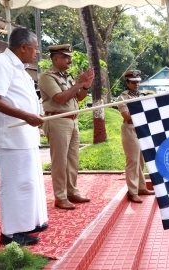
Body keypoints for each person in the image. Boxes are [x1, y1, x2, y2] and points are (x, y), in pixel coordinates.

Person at [0, 27, 48, 245]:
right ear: (23, 46)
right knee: (14, 184)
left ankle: (30, 222)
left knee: (29, 181)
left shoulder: (19, 67)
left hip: (24, 135)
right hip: (10, 136)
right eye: (35, 48)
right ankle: (11, 233)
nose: (37, 52)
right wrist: (27, 116)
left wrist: (31, 116)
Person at [39, 44, 94, 210]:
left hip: (72, 121)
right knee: (60, 161)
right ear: (55, 58)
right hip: (57, 121)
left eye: (69, 57)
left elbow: (79, 97)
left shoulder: (66, 76)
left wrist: (85, 85)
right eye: (65, 57)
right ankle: (60, 197)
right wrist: (78, 84)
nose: (69, 60)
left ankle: (71, 192)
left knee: (72, 160)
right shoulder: (47, 77)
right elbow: (60, 98)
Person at [116, 70, 155, 203]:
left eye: (138, 82)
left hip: (142, 129)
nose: (136, 84)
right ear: (127, 83)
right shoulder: (123, 97)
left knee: (141, 160)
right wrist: (144, 114)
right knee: (132, 161)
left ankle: (141, 187)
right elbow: (127, 116)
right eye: (133, 82)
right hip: (130, 128)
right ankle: (133, 191)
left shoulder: (143, 95)